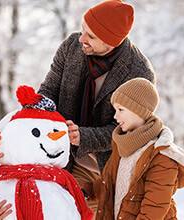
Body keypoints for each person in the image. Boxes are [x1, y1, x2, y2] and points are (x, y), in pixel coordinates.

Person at [37, 0, 156, 184]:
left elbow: (128, 131)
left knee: (78, 210)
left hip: (102, 168)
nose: (81, 39)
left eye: (91, 36)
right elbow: (49, 89)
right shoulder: (71, 47)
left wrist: (84, 137)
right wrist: (37, 107)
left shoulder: (139, 74)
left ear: (111, 42)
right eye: (83, 29)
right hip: (59, 152)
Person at [84, 78, 184, 219]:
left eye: (121, 109)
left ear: (139, 110)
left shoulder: (161, 155)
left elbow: (154, 208)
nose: (115, 116)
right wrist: (86, 191)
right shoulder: (123, 145)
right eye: (115, 110)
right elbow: (112, 185)